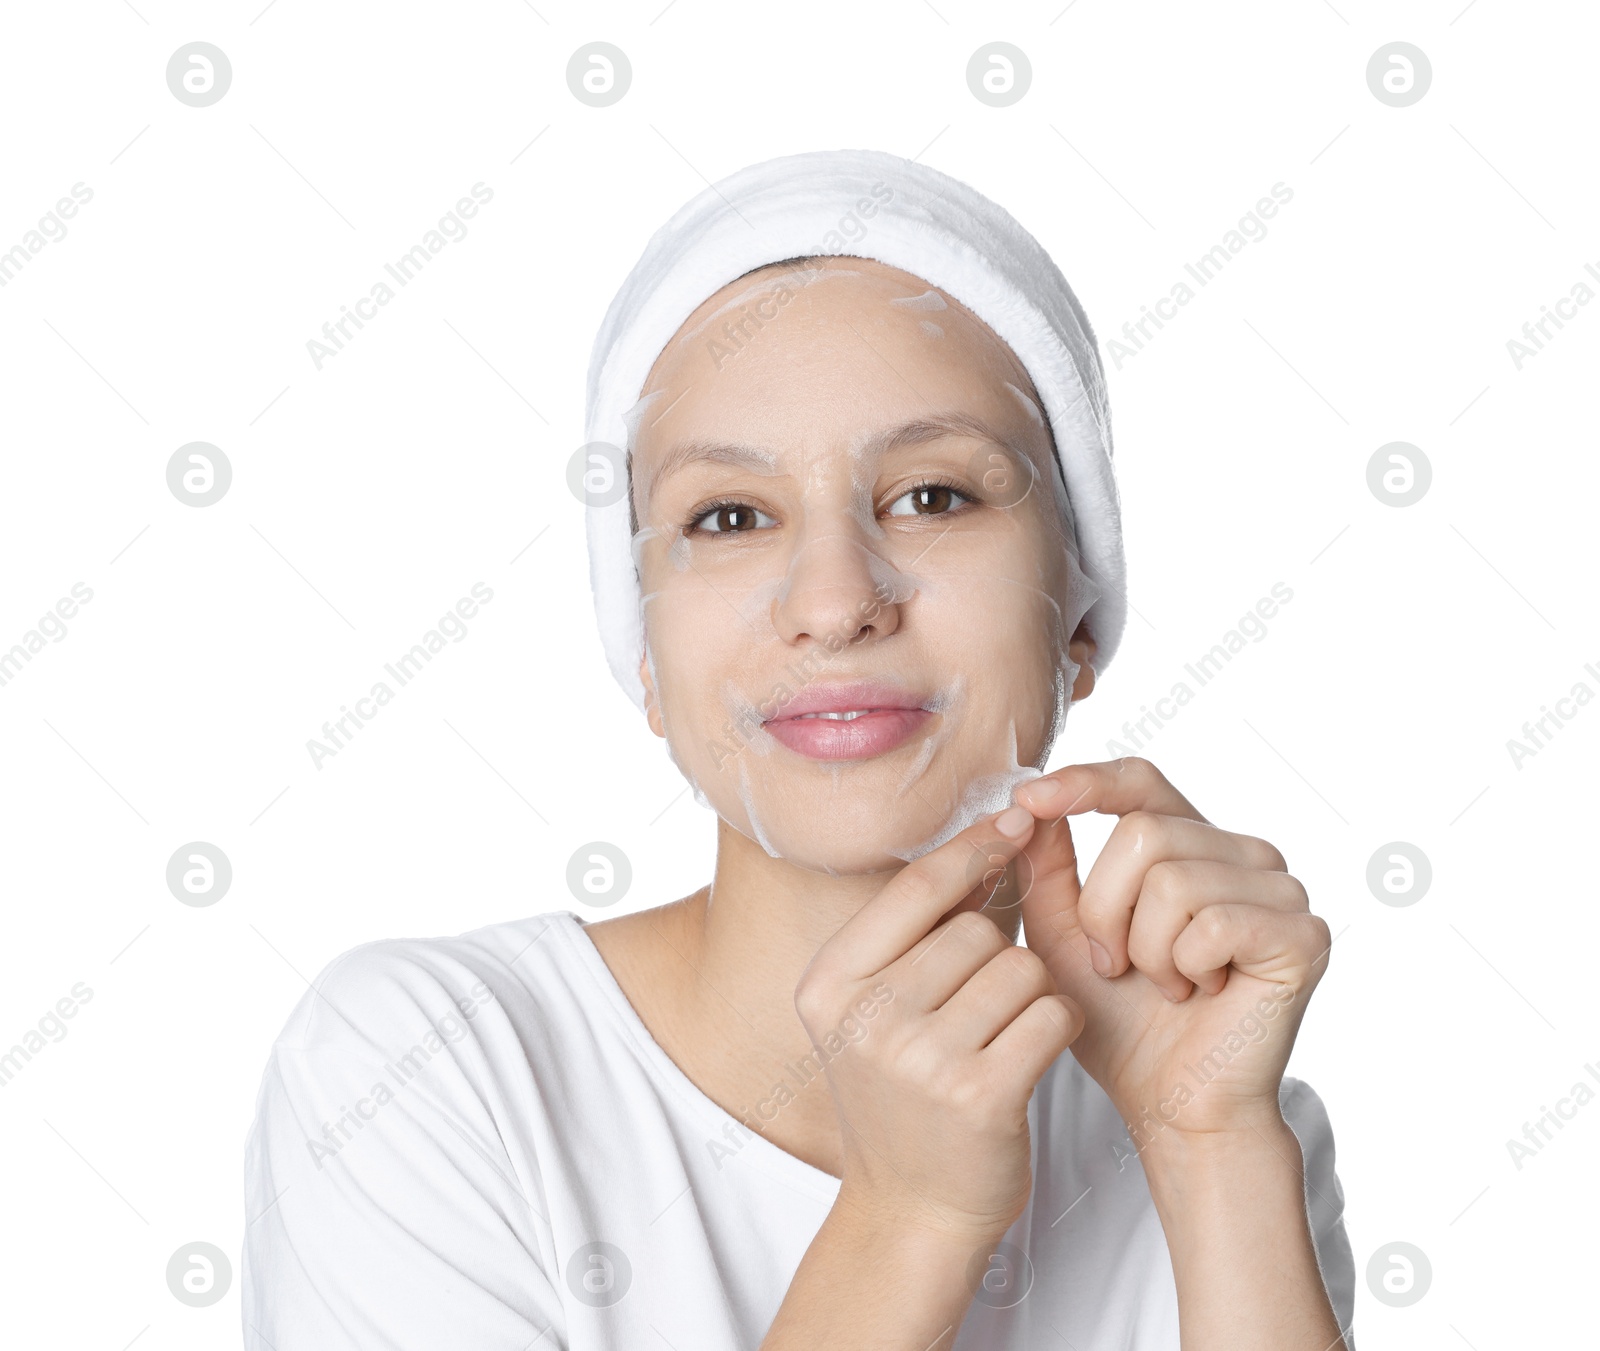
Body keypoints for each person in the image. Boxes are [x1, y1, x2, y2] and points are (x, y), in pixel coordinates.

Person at [242, 150, 1355, 1350]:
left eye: (933, 496)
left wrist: (1208, 1151)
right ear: (646, 660)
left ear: (1080, 614)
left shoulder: (1216, 1108)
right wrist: (906, 1217)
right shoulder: (423, 1070)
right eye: (729, 515)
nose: (835, 601)